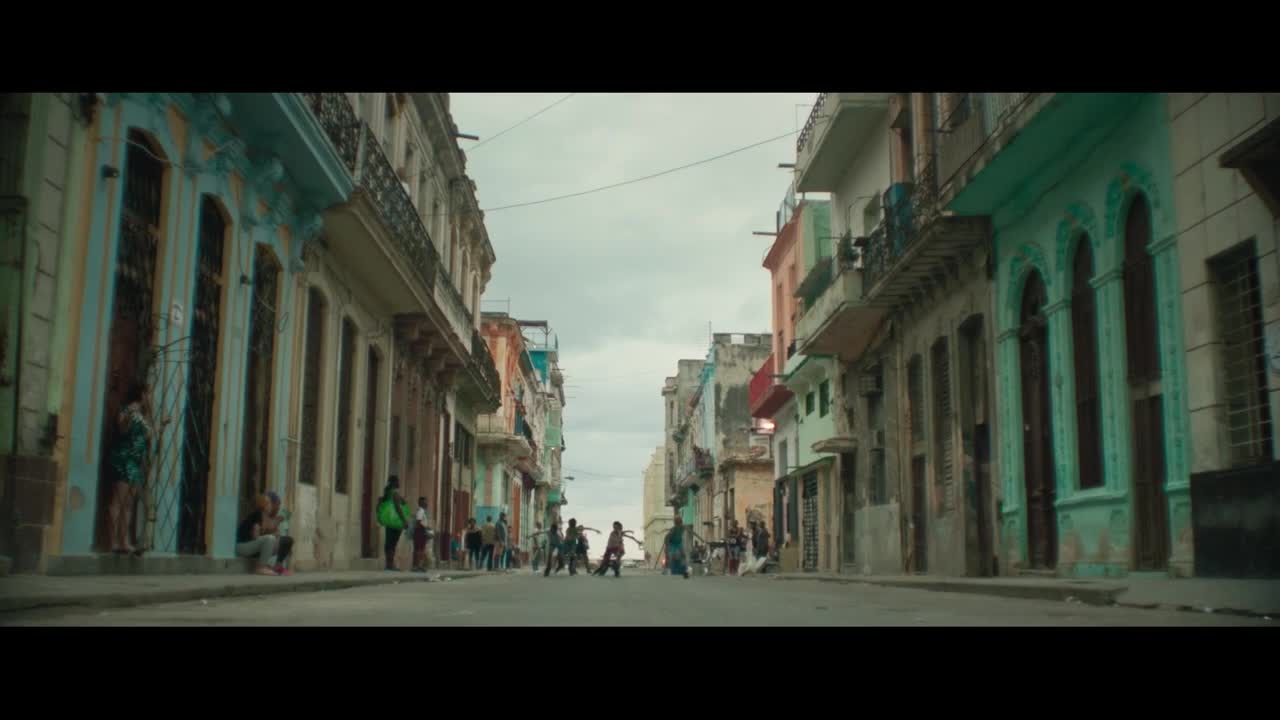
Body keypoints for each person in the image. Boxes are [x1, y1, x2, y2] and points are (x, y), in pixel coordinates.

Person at [106, 380, 166, 555]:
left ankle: (124, 542)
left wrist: (161, 426)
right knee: (118, 501)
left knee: (128, 503)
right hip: (124, 459)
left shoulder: (142, 416)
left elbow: (148, 436)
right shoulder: (128, 410)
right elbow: (122, 428)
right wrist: (128, 416)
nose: (151, 398)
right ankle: (113, 542)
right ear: (142, 394)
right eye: (149, 394)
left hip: (135, 462)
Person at [236, 494, 281, 576]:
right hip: (241, 547)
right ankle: (261, 568)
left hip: (248, 546)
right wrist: (269, 534)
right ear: (264, 505)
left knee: (273, 540)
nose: (271, 506)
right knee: (270, 539)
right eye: (269, 503)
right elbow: (255, 536)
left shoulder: (264, 516)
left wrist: (274, 534)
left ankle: (265, 565)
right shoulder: (257, 514)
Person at [376, 475, 411, 571]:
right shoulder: (394, 494)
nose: (399, 483)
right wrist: (404, 521)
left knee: (388, 542)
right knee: (392, 544)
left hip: (389, 521)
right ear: (394, 483)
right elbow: (398, 508)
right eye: (398, 481)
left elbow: (380, 504)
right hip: (396, 522)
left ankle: (388, 564)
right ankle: (390, 565)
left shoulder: (387, 493)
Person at [261, 491, 293, 575]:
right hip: (262, 545)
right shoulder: (263, 514)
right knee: (285, 541)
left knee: (287, 541)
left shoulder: (272, 516)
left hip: (269, 545)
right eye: (277, 505)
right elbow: (268, 528)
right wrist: (278, 520)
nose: (278, 508)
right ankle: (269, 566)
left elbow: (276, 533)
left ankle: (278, 566)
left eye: (279, 505)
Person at [412, 497, 433, 573]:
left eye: (426, 502)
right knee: (419, 549)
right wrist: (426, 529)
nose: (426, 504)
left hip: (421, 530)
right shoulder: (421, 511)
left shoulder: (422, 511)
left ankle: (419, 565)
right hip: (420, 531)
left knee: (420, 549)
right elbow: (418, 521)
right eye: (425, 502)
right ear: (421, 503)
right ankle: (417, 566)